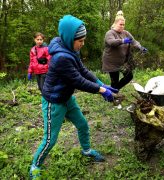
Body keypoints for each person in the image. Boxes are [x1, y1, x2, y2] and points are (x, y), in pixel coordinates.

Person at [29, 15, 118, 179]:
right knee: (50, 139)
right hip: (54, 102)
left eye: (84, 40)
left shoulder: (70, 48)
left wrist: (101, 84)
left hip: (67, 97)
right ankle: (35, 166)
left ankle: (86, 151)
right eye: (80, 40)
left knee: (83, 124)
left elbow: (83, 70)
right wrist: (101, 91)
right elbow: (78, 81)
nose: (83, 44)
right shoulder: (61, 57)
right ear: (70, 38)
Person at [101, 10, 147, 91]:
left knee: (129, 76)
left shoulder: (126, 33)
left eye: (123, 25)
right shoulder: (110, 33)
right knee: (115, 81)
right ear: (115, 24)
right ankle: (113, 95)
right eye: (120, 24)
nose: (122, 26)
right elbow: (111, 42)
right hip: (111, 63)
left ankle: (113, 90)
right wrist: (122, 41)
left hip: (121, 63)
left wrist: (140, 47)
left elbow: (134, 41)